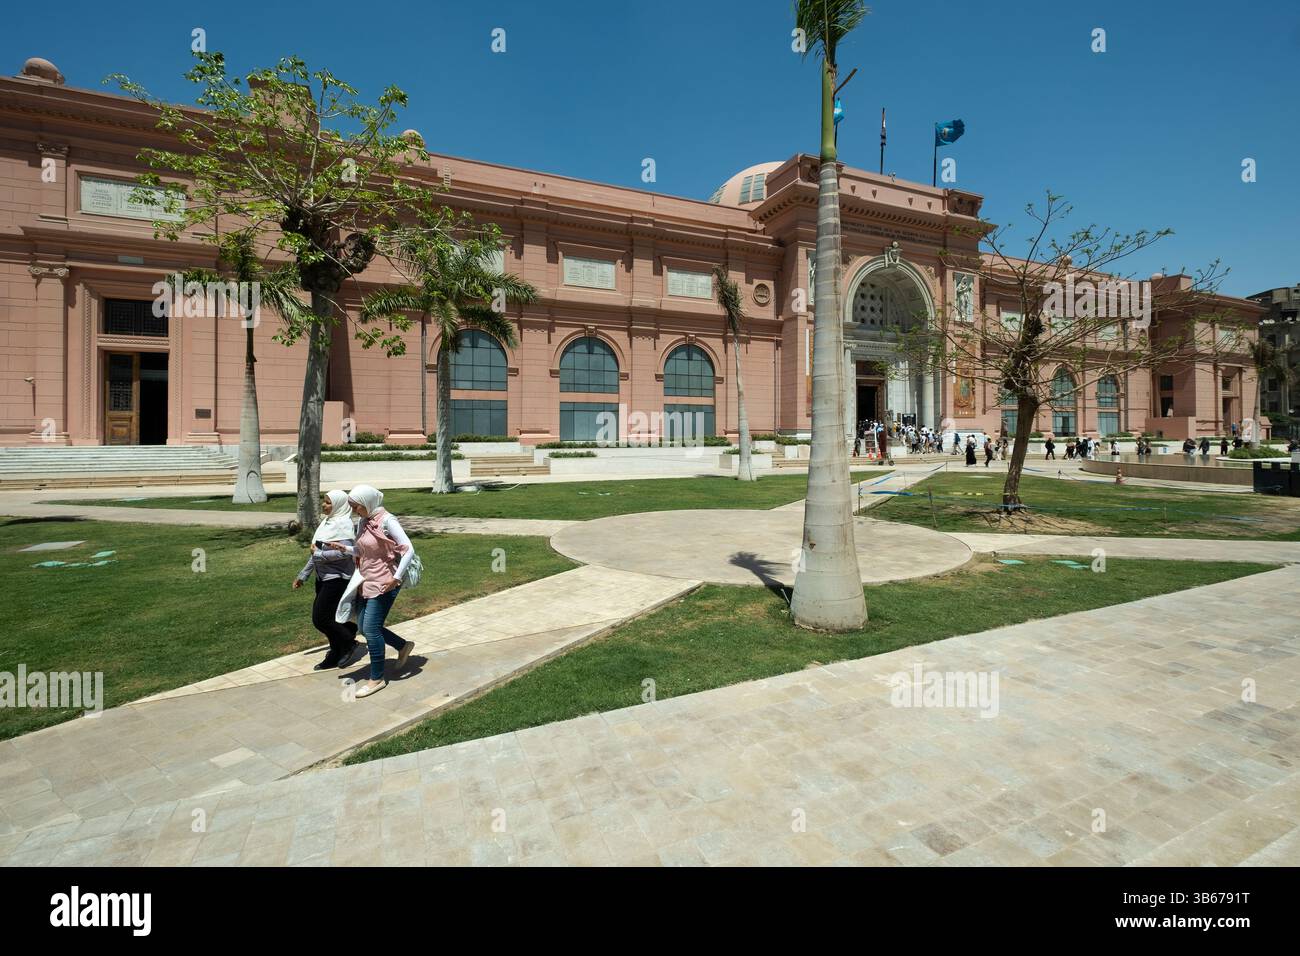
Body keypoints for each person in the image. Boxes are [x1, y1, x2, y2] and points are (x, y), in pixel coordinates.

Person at [341, 484, 417, 700]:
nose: (355, 511)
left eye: (357, 507)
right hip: (366, 582)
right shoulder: (364, 521)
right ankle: (403, 646)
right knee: (365, 628)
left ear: (367, 502)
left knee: (371, 630)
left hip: (385, 583)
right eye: (353, 507)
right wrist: (344, 549)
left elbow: (408, 548)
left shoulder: (387, 521)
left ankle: (376, 679)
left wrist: (396, 578)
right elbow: (363, 549)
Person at [293, 490, 362, 670]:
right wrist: (303, 575)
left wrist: (320, 554)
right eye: (324, 501)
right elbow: (314, 552)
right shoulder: (327, 522)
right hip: (322, 578)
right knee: (330, 617)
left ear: (339, 505)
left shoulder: (343, 524)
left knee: (321, 619)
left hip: (338, 579)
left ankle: (348, 639)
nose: (323, 505)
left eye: (328, 502)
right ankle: (336, 651)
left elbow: (345, 552)